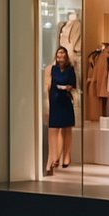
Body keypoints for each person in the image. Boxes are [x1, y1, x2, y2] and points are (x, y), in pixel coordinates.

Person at [45, 46, 76, 175]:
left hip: (66, 100)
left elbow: (74, 84)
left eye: (62, 56)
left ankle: (67, 155)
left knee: (67, 128)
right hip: (55, 101)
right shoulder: (52, 69)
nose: (60, 58)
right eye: (58, 56)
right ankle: (53, 157)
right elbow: (48, 86)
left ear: (66, 57)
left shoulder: (70, 70)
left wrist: (68, 88)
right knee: (53, 129)